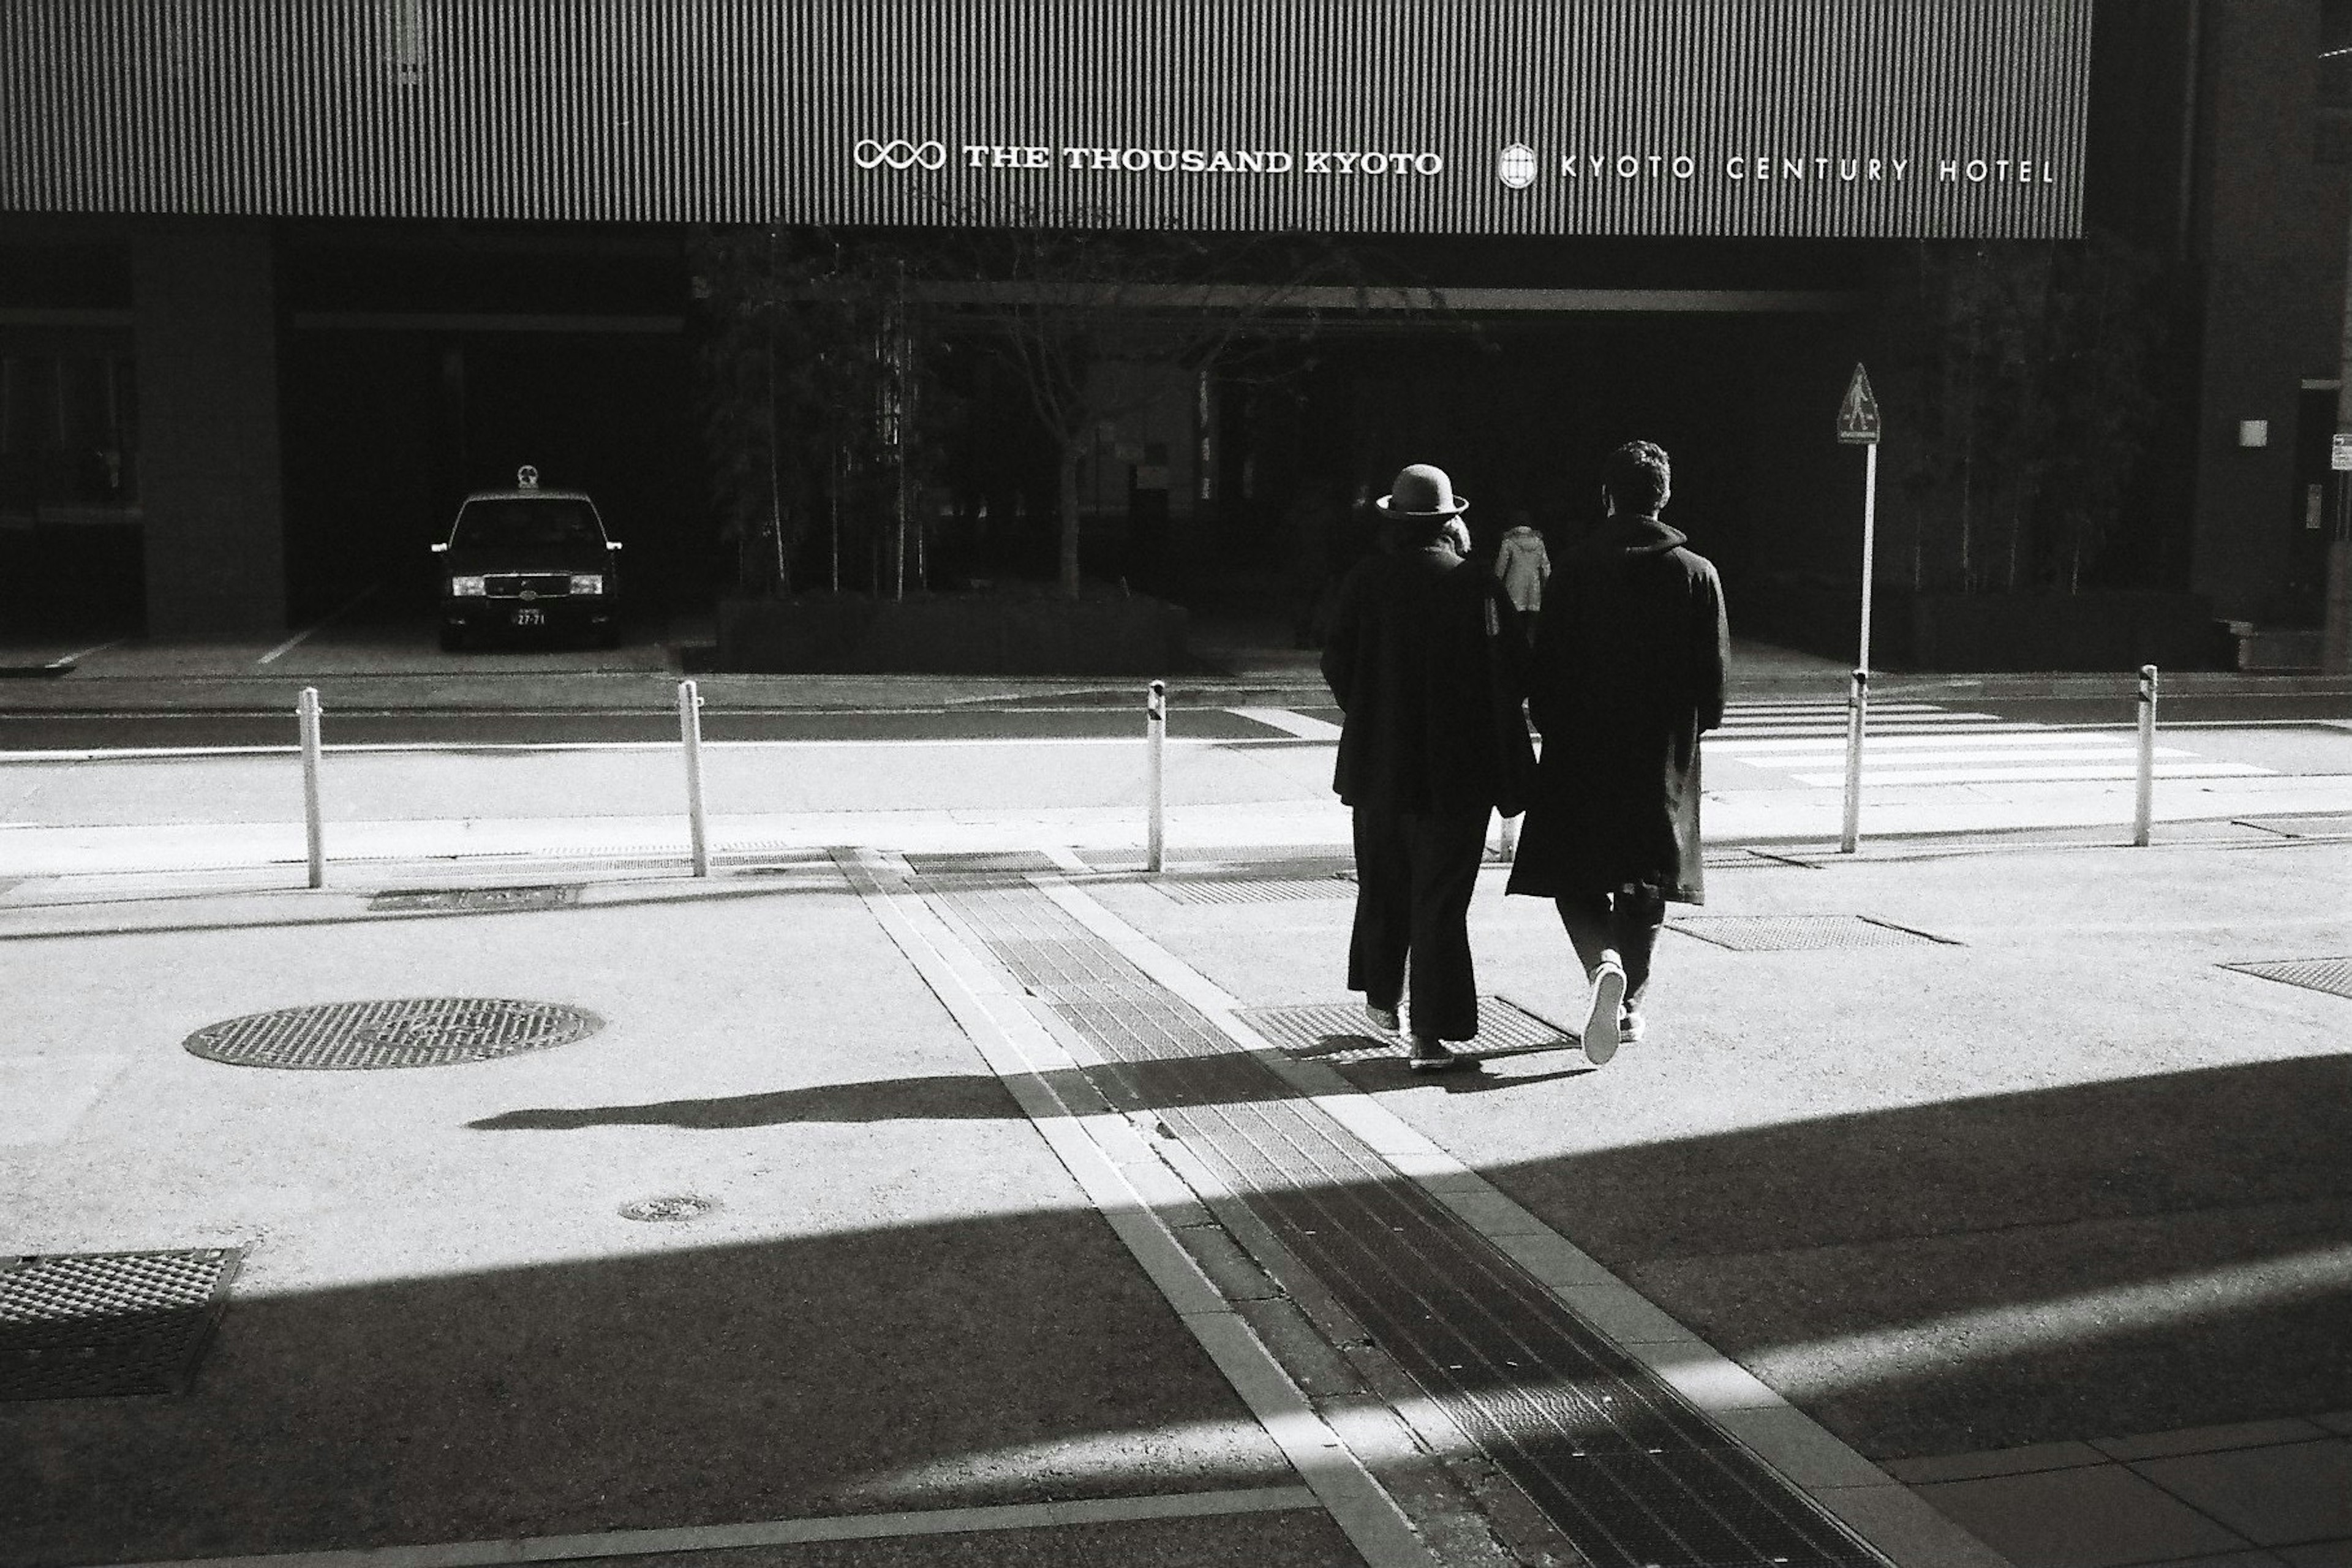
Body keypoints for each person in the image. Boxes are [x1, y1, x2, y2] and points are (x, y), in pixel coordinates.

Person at [1507, 440, 1728, 1066]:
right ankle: (1630, 1005)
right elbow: (1711, 682)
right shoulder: (1697, 573)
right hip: (1661, 753)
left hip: (1582, 750)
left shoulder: (1575, 569)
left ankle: (1601, 961)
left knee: (1573, 876)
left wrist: (1552, 725)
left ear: (1607, 497)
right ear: (1664, 496)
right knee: (1648, 879)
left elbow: (1545, 669)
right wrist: (1693, 732)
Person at [1322, 463, 1535, 1071]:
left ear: (1395, 521)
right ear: (1451, 522)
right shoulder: (1475, 586)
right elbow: (1515, 670)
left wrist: (1368, 707)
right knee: (1440, 898)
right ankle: (1429, 1036)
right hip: (1457, 770)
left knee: (1385, 884)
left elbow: (1336, 659)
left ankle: (1383, 998)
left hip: (1378, 764)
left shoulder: (1366, 581)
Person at [1493, 510, 1551, 644]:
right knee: (1532, 629)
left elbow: (1501, 567)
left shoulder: (1508, 543)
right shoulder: (1539, 542)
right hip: (1534, 590)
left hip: (1513, 589)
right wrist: (1547, 585)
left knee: (1514, 627)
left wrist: (1496, 583)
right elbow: (1546, 567)